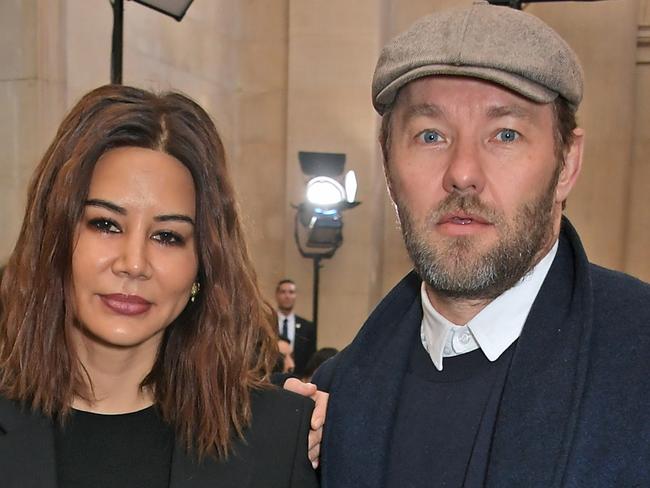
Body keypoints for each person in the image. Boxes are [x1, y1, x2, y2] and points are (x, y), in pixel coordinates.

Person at [308, 3, 650, 487]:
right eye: (430, 135)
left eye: (505, 134)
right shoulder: (330, 405)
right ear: (387, 166)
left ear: (567, 164)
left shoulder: (639, 361)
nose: (462, 173)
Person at [0, 85, 318, 488]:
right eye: (105, 224)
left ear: (202, 266)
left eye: (167, 236)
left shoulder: (279, 438)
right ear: (55, 238)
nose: (133, 264)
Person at [275, 279, 316, 376]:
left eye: (291, 292)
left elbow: (311, 356)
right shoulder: (266, 323)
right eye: (283, 292)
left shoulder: (307, 327)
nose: (287, 296)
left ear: (295, 296)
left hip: (299, 378)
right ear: (276, 295)